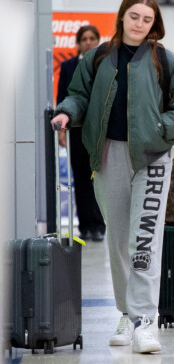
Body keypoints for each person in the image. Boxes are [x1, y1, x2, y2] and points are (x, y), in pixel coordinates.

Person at [52, 0, 174, 353]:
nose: (139, 24)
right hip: (107, 157)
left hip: (151, 158)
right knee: (119, 242)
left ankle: (144, 322)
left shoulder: (165, 61)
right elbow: (79, 95)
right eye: (134, 16)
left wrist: (158, 131)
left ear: (154, 24)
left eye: (147, 19)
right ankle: (127, 313)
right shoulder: (99, 57)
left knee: (144, 241)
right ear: (122, 17)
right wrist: (67, 112)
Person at [56, 25, 106, 242]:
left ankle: (99, 225)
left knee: (100, 180)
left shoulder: (106, 66)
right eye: (84, 38)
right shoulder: (68, 66)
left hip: (101, 133)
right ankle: (85, 225)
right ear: (78, 43)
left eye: (92, 38)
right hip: (76, 132)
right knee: (82, 179)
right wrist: (61, 131)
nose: (88, 42)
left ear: (98, 40)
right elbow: (62, 97)